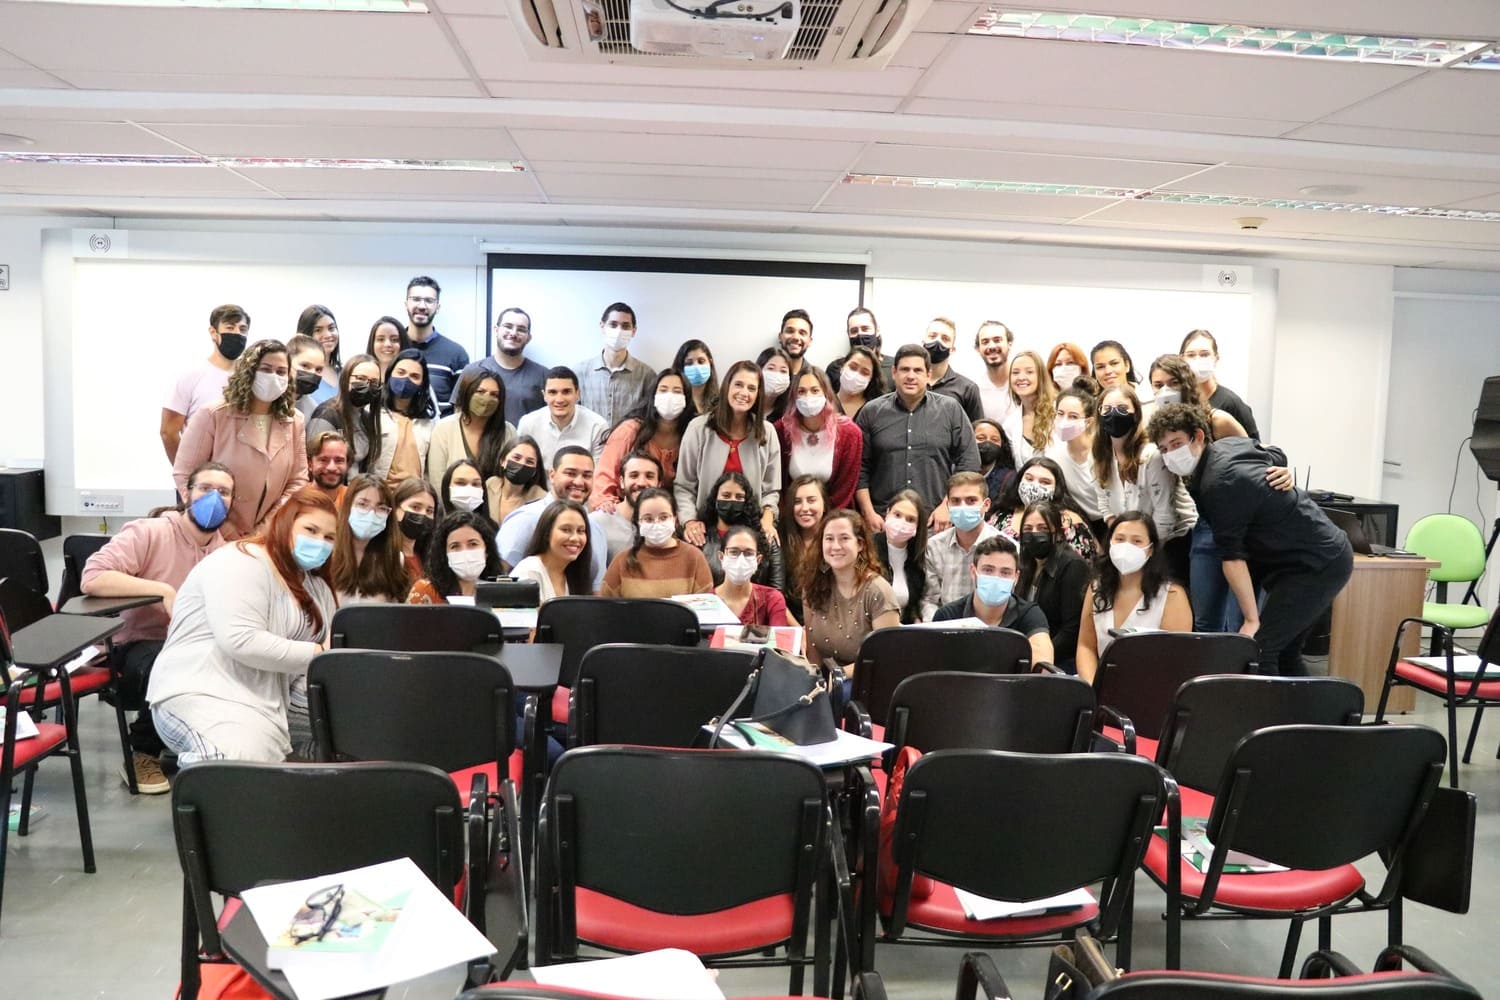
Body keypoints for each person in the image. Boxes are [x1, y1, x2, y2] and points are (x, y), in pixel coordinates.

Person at [1149, 403, 1353, 677]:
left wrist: (1250, 619)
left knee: (1262, 650)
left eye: (1176, 444)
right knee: (1284, 650)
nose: (1170, 454)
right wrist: (1281, 469)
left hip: (1317, 564)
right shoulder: (1224, 449)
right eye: (1163, 449)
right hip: (1302, 559)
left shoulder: (1218, 482)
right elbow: (1273, 452)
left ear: (1198, 436)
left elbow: (1232, 557)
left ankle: (1269, 718)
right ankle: (1302, 714)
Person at [147, 487, 337, 764]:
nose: (319, 542)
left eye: (329, 537)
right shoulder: (241, 561)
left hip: (268, 699)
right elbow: (240, 640)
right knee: (236, 762)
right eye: (310, 529)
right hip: (204, 692)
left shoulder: (315, 585)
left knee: (351, 723)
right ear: (285, 525)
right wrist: (320, 654)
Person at [80, 461, 236, 791]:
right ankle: (142, 753)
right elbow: (92, 578)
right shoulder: (149, 532)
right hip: (133, 645)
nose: (215, 498)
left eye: (224, 492)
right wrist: (162, 591)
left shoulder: (227, 553)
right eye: (206, 488)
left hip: (194, 646)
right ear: (186, 493)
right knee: (171, 662)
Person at [173, 339, 310, 541]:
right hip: (212, 531)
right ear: (249, 371)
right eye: (266, 369)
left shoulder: (294, 420)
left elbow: (298, 480)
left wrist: (268, 526)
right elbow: (185, 474)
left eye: (281, 372)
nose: (274, 376)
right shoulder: (214, 415)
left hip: (266, 536)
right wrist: (222, 524)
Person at [855, 344, 979, 531]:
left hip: (934, 521)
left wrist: (948, 505)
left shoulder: (950, 409)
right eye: (905, 369)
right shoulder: (872, 412)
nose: (911, 376)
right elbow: (859, 467)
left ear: (928, 375)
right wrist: (869, 512)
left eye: (918, 370)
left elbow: (968, 462)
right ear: (894, 372)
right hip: (883, 520)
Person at [1075, 511, 1193, 684]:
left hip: (1152, 691)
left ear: (1150, 549)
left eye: (1137, 541)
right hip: (1101, 689)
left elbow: (1176, 660)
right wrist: (1094, 689)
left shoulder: (1172, 596)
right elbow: (1086, 646)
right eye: (1120, 539)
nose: (1126, 547)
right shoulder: (1096, 589)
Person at [676, 360, 783, 548]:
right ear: (726, 387)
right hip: (705, 530)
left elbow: (771, 490)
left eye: (752, 388)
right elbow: (684, 486)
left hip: (750, 531)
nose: (744, 393)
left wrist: (768, 518)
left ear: (758, 395)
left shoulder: (768, 432)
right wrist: (690, 521)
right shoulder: (698, 428)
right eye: (738, 385)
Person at [1092, 385, 1195, 580]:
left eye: (1122, 408)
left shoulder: (1152, 456)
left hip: (1170, 543)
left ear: (1136, 414)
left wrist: (1144, 551)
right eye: (1107, 409)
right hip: (1134, 546)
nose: (1114, 414)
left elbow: (1165, 516)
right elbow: (1105, 505)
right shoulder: (1100, 456)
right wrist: (1122, 543)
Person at [800, 509, 901, 674]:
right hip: (827, 677)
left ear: (860, 544)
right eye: (829, 539)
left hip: (867, 680)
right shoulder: (813, 584)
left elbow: (885, 657)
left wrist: (840, 677)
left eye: (844, 538)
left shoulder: (878, 591)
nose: (835, 546)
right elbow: (813, 652)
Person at [497, 446, 608, 591]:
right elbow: (498, 576)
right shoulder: (525, 519)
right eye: (571, 473)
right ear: (552, 475)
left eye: (587, 475)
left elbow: (595, 590)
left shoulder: (595, 529)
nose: (579, 482)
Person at [932, 536, 1055, 666]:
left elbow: (1043, 662)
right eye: (988, 570)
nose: (996, 577)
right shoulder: (947, 616)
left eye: (1005, 572)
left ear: (1016, 577)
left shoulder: (1030, 614)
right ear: (973, 572)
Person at [307, 353, 421, 489]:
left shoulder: (367, 418)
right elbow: (317, 468)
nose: (367, 385)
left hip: (355, 493)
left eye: (374, 382)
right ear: (345, 378)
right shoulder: (327, 415)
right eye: (361, 378)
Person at [161, 304, 249, 465]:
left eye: (242, 329)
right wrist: (186, 475)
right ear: (213, 333)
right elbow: (168, 432)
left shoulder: (250, 378)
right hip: (200, 480)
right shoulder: (191, 375)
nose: (237, 334)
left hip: (241, 477)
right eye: (230, 327)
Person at [591, 369, 689, 512]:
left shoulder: (690, 434)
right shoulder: (629, 431)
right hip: (625, 510)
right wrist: (611, 508)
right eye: (663, 390)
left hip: (667, 515)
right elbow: (604, 478)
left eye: (677, 391)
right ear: (653, 396)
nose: (669, 396)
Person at [1015, 500, 1090, 670]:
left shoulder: (1073, 566)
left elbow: (1071, 630)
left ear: (1056, 532)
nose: (1034, 534)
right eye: (1028, 529)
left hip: (1059, 661)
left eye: (1042, 528)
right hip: (1027, 655)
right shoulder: (1024, 563)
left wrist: (1039, 658)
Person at [601, 487, 714, 598]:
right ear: (638, 522)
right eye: (648, 519)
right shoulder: (622, 561)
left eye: (663, 517)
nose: (656, 523)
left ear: (674, 519)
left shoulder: (694, 558)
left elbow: (707, 608)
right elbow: (605, 608)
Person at [777, 364, 862, 510]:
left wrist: (824, 520)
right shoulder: (780, 430)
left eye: (815, 391)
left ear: (827, 394)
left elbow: (845, 489)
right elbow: (779, 486)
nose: (808, 397)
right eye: (801, 391)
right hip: (793, 514)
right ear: (793, 396)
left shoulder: (850, 433)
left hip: (835, 516)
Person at [921, 471, 1001, 621]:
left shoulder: (1006, 548)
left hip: (988, 629)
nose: (963, 506)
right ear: (948, 505)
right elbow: (929, 600)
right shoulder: (934, 546)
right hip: (944, 630)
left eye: (971, 500)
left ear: (986, 505)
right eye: (956, 501)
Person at [452, 306, 547, 426]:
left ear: (528, 338)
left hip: (525, 444)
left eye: (521, 329)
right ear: (496, 330)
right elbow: (458, 415)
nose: (513, 333)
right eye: (508, 326)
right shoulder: (472, 371)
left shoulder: (543, 376)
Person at [993, 456, 1100, 559]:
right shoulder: (1002, 515)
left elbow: (1083, 565)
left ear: (1056, 489)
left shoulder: (1070, 522)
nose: (1034, 486)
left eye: (1045, 482)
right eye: (1029, 479)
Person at [330, 473, 410, 604]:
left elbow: (396, 612)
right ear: (348, 506)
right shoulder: (327, 553)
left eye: (381, 507)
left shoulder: (394, 558)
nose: (371, 513)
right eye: (362, 504)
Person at [699, 471, 785, 590]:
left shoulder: (767, 540)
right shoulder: (700, 539)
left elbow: (777, 591)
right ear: (715, 499)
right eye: (726, 495)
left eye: (739, 497)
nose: (732, 501)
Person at [428, 368, 515, 484]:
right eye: (480, 392)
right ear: (467, 392)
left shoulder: (508, 431)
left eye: (494, 394)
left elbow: (510, 479)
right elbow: (437, 479)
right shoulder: (444, 429)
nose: (487, 398)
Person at [575, 302, 653, 426]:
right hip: (589, 444)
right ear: (602, 326)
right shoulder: (580, 372)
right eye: (613, 324)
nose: (619, 331)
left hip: (630, 445)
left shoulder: (647, 375)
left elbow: (649, 419)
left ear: (634, 331)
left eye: (625, 326)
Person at [516, 366, 609, 466]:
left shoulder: (597, 426)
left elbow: (598, 474)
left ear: (578, 394)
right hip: (538, 481)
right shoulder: (528, 424)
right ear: (544, 395)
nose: (559, 399)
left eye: (566, 392)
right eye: (552, 392)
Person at [403, 276, 468, 416]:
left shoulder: (456, 354)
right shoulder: (393, 348)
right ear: (406, 304)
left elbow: (461, 408)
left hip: (440, 436)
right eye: (415, 299)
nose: (421, 306)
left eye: (429, 301)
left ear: (437, 307)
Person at [407, 510, 502, 604]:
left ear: (487, 550)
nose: (465, 552)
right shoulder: (425, 590)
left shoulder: (501, 592)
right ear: (445, 553)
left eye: (473, 544)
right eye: (455, 546)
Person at [1180, 329, 1259, 439]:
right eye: (1191, 355)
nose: (1197, 359)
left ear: (1216, 358)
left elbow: (1256, 449)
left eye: (1204, 354)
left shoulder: (1231, 403)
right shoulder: (1180, 401)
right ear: (1182, 359)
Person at [510, 499, 593, 601]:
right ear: (547, 533)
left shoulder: (575, 574)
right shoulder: (529, 571)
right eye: (566, 530)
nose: (575, 538)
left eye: (580, 531)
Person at [1148, 355, 1247, 441]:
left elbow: (1250, 458)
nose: (1166, 391)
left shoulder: (1218, 421)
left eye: (1174, 383)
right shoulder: (1153, 426)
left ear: (1187, 384)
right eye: (1158, 385)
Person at [589, 451, 663, 564]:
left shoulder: (666, 527)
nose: (642, 482)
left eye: (649, 476)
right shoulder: (597, 523)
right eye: (634, 475)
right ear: (622, 482)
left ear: (659, 484)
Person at [714, 524, 793, 627]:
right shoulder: (706, 602)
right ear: (721, 557)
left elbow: (778, 639)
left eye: (748, 553)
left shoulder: (772, 599)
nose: (741, 559)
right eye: (734, 552)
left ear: (758, 559)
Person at [872, 488, 927, 624]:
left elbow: (914, 604)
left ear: (917, 527)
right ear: (887, 512)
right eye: (897, 515)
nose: (902, 522)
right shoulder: (864, 550)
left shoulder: (918, 558)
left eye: (910, 519)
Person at [781, 474, 829, 622]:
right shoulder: (781, 541)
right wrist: (798, 631)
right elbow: (776, 596)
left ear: (824, 504)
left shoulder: (837, 540)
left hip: (832, 625)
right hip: (792, 624)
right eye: (797, 502)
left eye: (811, 500)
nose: (805, 508)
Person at [923, 317, 983, 423]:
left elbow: (976, 432)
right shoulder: (909, 381)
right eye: (932, 336)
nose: (937, 341)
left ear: (952, 349)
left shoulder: (967, 389)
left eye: (945, 338)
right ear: (923, 342)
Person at [1002, 349, 1055, 465]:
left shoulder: (1058, 412)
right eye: (1015, 373)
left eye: (1029, 372)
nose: (1021, 377)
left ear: (1040, 376)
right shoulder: (1009, 424)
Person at [826, 307, 894, 392]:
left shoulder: (894, 367)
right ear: (848, 334)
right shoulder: (835, 369)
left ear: (877, 330)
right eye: (854, 331)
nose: (860, 334)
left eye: (865, 329)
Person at [486, 436, 547, 527]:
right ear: (503, 461)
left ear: (535, 471)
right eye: (516, 458)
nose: (522, 464)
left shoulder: (541, 500)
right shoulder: (489, 486)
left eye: (529, 462)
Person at [392, 477, 438, 580]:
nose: (423, 514)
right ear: (396, 509)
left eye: (429, 511)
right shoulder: (384, 557)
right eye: (416, 507)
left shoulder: (429, 560)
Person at [297, 304, 341, 405]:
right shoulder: (300, 375)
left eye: (331, 328)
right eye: (318, 330)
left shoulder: (344, 374)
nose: (328, 335)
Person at [974, 320, 1015, 426]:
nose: (991, 346)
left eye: (997, 340)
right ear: (978, 349)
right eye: (985, 342)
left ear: (1009, 344)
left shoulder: (1025, 384)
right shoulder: (974, 390)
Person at [1091, 340, 1152, 409]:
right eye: (1100, 367)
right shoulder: (1091, 407)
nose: (1108, 371)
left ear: (1127, 365)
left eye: (1114, 363)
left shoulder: (1150, 397)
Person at [974, 418, 1017, 517]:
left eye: (994, 440)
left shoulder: (1010, 479)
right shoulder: (955, 472)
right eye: (981, 438)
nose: (988, 444)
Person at [832, 345, 886, 421]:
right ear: (842, 367)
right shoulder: (824, 404)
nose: (856, 375)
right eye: (852, 367)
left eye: (865, 372)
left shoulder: (875, 410)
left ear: (870, 379)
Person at [287, 334, 328, 425]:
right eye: (305, 366)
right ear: (287, 362)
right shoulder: (268, 398)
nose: (312, 373)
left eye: (318, 369)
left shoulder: (313, 409)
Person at [673, 339, 719, 418]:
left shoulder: (720, 400)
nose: (696, 367)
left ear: (710, 363)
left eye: (701, 361)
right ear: (681, 367)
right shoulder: (674, 400)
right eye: (689, 363)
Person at [305, 431, 350, 505]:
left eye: (339, 461)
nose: (331, 468)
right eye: (323, 460)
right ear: (310, 464)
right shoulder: (295, 500)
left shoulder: (354, 499)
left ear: (347, 465)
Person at [757, 346, 795, 424]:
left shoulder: (790, 413)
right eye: (770, 369)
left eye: (783, 371)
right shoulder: (745, 404)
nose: (776, 375)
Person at [777, 308, 814, 380]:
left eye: (802, 333)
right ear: (780, 337)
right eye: (790, 331)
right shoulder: (762, 373)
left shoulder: (814, 378)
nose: (796, 337)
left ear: (810, 341)